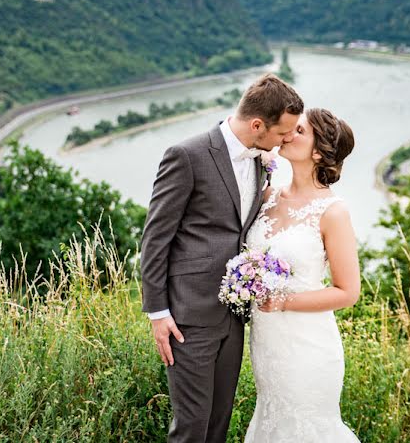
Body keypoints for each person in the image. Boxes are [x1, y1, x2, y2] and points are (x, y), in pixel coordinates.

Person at [140, 73, 304, 443]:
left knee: (217, 426)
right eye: (283, 133)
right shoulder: (187, 155)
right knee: (191, 429)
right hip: (188, 317)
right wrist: (158, 313)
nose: (287, 141)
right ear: (258, 124)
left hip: (233, 317)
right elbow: (154, 239)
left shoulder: (263, 160)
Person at [244, 108, 361, 442]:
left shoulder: (333, 212)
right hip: (268, 345)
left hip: (307, 347)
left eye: (298, 131)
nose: (287, 134)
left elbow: (347, 291)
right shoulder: (267, 197)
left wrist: (284, 301)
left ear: (318, 152)